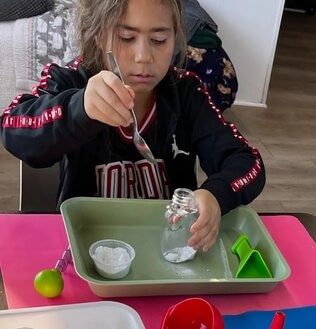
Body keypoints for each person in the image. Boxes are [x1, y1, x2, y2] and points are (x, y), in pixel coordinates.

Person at [0, 0, 265, 252]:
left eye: (159, 40)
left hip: (167, 247)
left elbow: (248, 162)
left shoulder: (187, 93)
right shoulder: (72, 81)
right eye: (126, 37)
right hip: (86, 246)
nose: (143, 57)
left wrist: (216, 195)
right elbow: (12, 127)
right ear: (97, 35)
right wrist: (78, 109)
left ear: (175, 38)